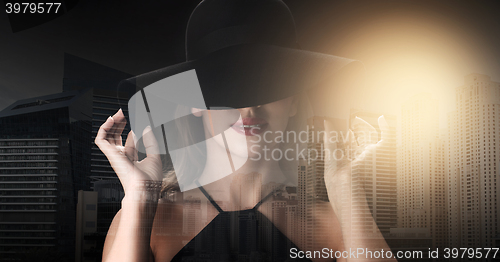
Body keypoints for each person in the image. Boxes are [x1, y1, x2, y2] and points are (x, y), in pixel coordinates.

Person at [96, 0, 395, 261]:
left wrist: (346, 186)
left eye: (269, 85)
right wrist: (139, 198)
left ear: (294, 101)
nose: (250, 110)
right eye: (227, 90)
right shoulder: (149, 220)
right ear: (195, 103)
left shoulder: (333, 224)